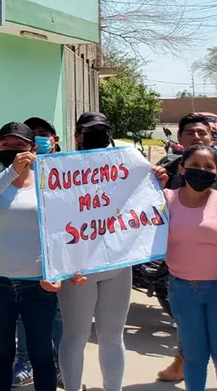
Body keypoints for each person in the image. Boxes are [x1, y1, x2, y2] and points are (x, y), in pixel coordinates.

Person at [157, 113, 217, 388]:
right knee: (195, 358)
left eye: (208, 166)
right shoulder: (166, 199)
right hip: (181, 291)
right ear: (182, 170)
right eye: (194, 165)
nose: (202, 170)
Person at [0, 122, 60, 391]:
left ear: (32, 149)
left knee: (42, 354)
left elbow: (61, 229)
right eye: (5, 145)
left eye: (19, 145)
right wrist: (11, 172)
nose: (12, 150)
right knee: (2, 353)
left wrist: (61, 273)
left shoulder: (48, 182)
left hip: (39, 286)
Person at [57, 112, 131, 391]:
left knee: (113, 336)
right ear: (77, 136)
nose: (98, 137)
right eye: (91, 132)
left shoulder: (125, 164)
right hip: (79, 265)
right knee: (75, 335)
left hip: (118, 262)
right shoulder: (61, 169)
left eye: (102, 131)